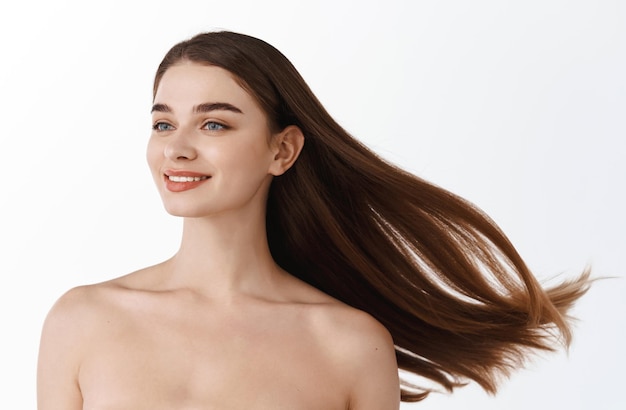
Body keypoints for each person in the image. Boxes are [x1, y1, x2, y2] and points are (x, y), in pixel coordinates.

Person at [37, 31, 590, 409]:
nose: (176, 149)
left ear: (283, 151)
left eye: (214, 126)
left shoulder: (349, 344)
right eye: (163, 124)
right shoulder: (81, 321)